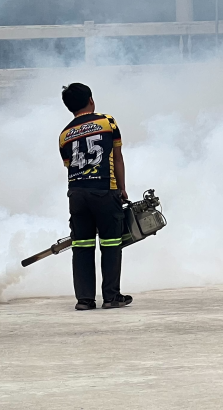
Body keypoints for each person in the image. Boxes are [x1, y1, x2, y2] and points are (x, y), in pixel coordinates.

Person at [59, 82, 132, 311]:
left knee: (81, 245)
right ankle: (111, 297)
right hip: (104, 190)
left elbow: (70, 165)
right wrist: (121, 188)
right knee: (111, 243)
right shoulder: (107, 121)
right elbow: (117, 157)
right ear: (91, 99)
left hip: (77, 194)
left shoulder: (64, 135)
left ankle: (84, 300)